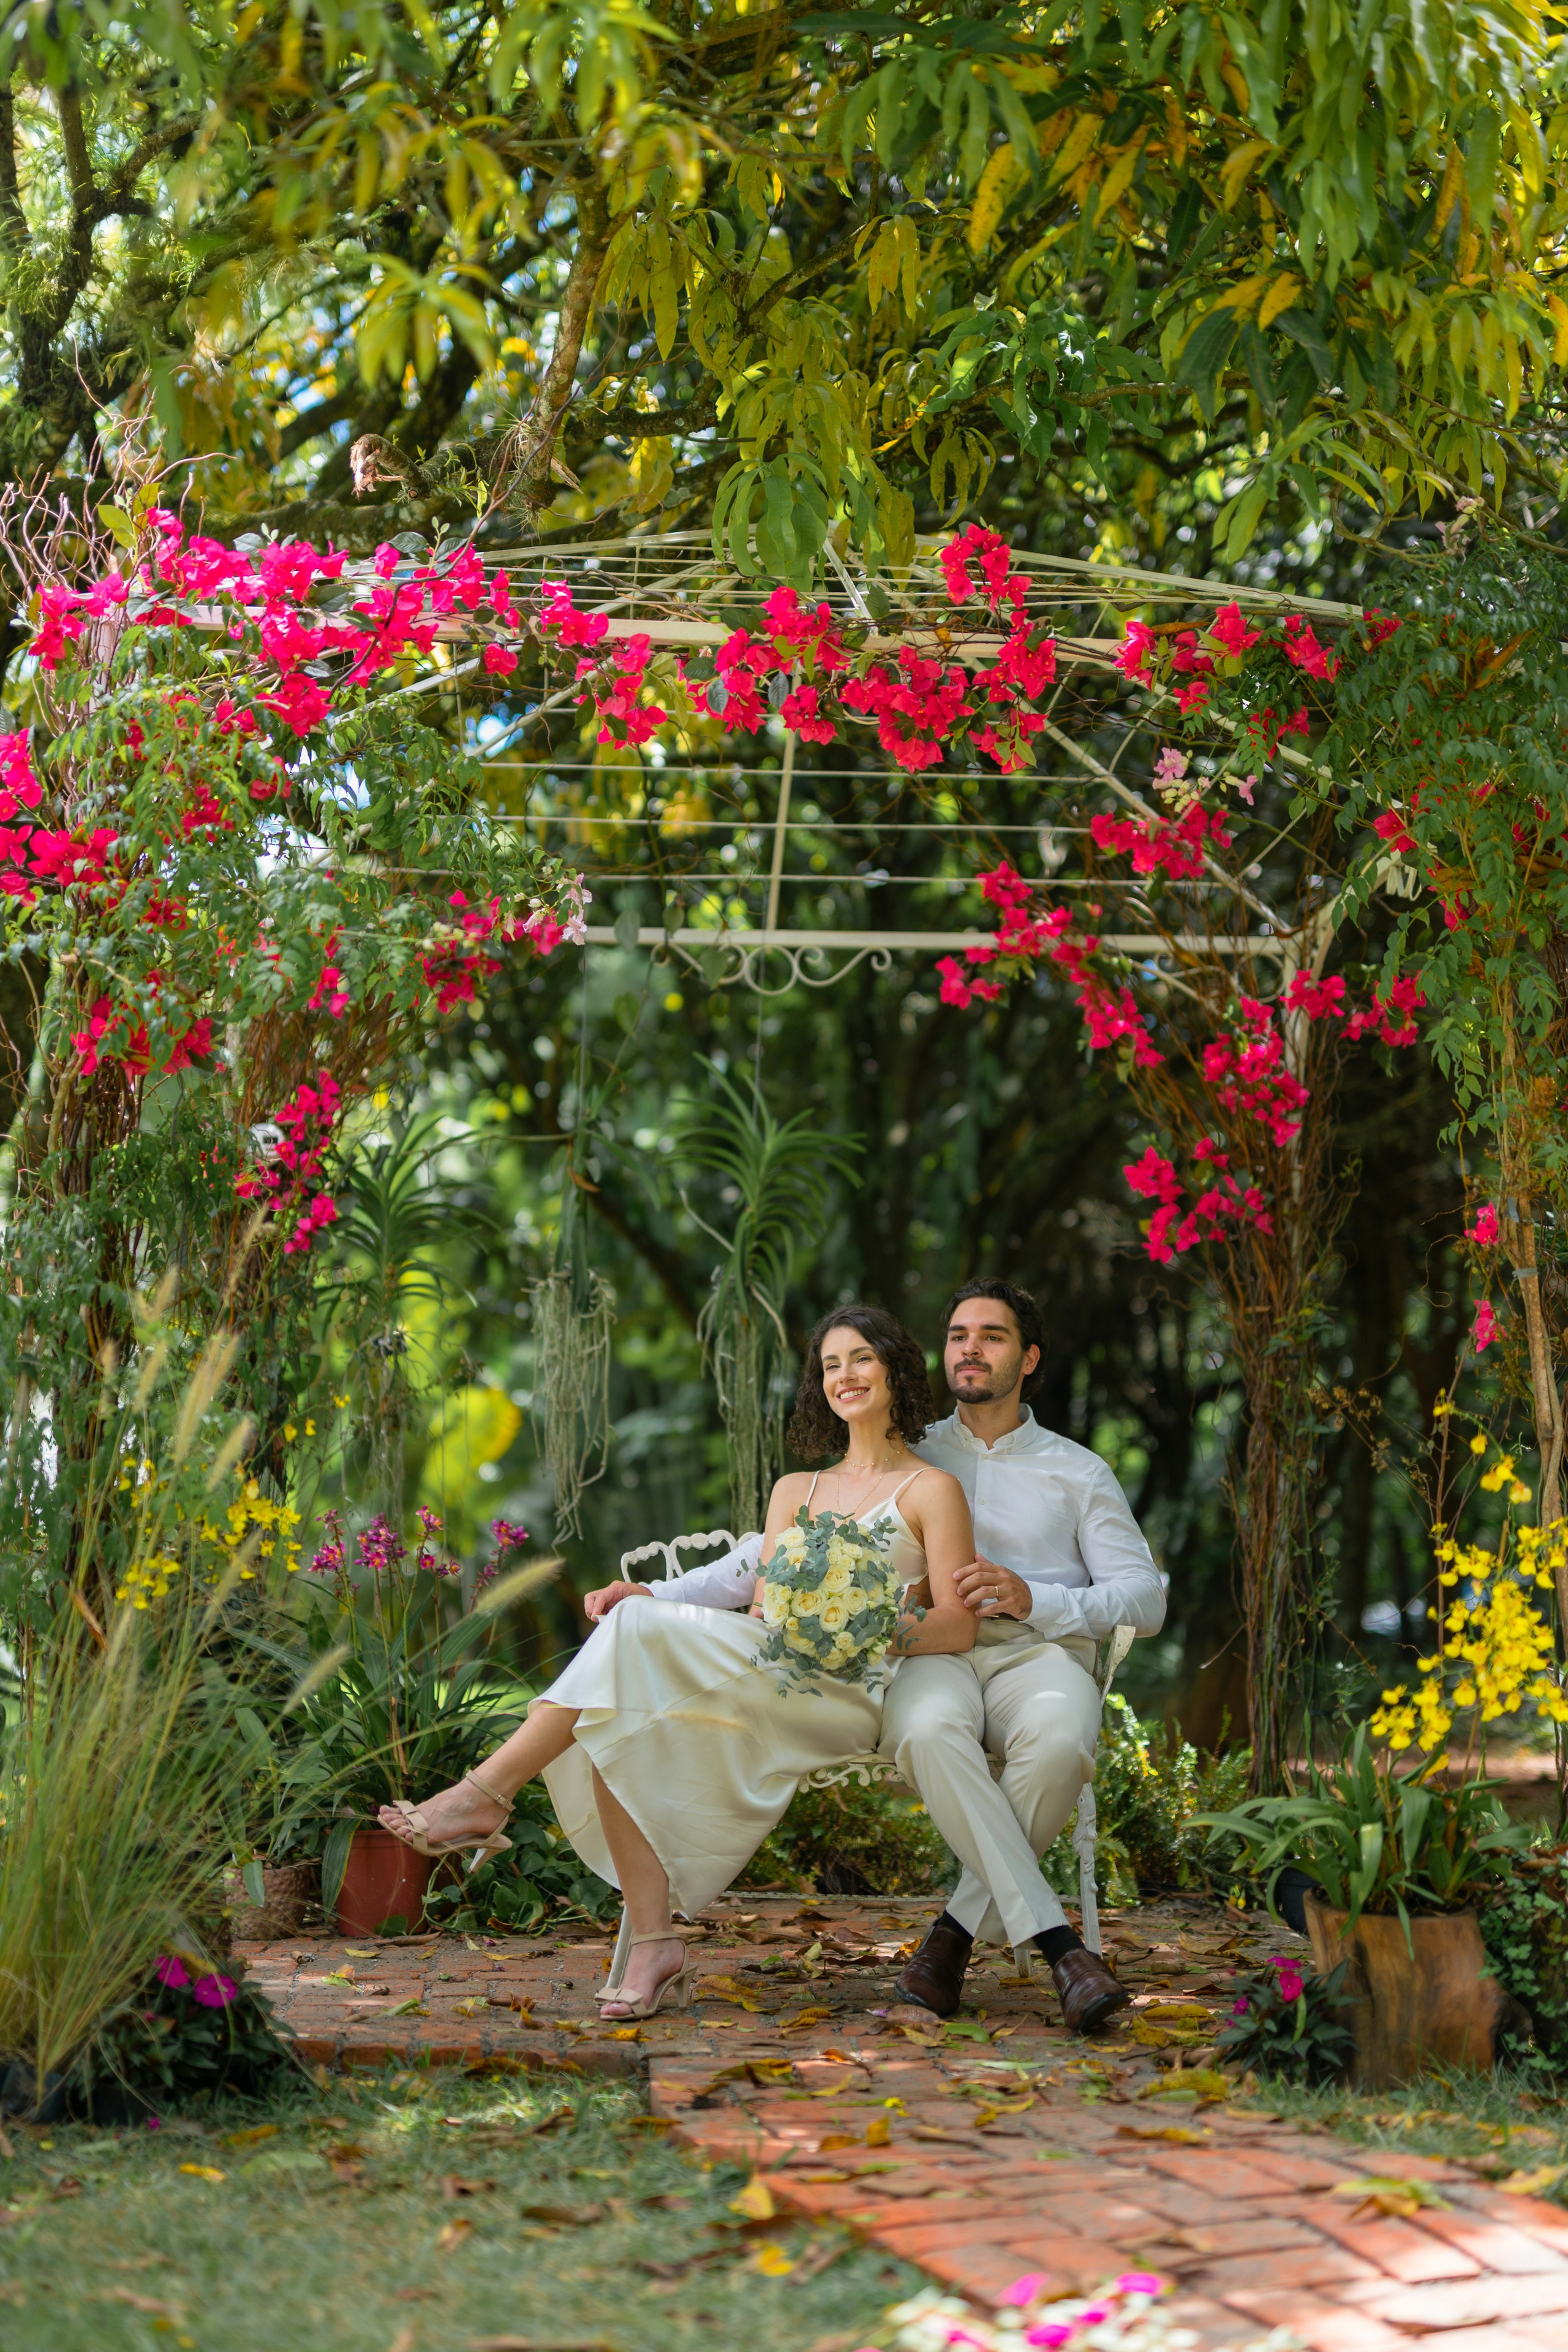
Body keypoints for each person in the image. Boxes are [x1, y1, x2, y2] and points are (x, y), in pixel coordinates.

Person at [377, 1305, 976, 2019]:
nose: (844, 1376)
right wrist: (682, 1599)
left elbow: (957, 1624)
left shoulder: (932, 1490)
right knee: (614, 1708)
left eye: (861, 1359)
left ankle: (484, 1795)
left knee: (628, 1642)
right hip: (770, 1663)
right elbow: (762, 1601)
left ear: (895, 1369)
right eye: (830, 1365)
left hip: (848, 1690)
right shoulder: (797, 1490)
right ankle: (653, 1946)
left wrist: (863, 1624)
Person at [885, 1278, 1167, 2031]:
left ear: (1030, 1357)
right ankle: (1060, 1946)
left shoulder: (1078, 1470)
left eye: (992, 1335)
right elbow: (800, 1539)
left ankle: (952, 1935)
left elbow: (1145, 1599)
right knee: (924, 1732)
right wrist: (664, 1591)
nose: (969, 1348)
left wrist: (1034, 1597)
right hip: (934, 1656)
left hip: (1037, 1656)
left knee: (1062, 1744)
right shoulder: (908, 1456)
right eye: (957, 1335)